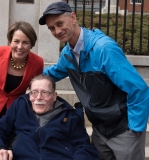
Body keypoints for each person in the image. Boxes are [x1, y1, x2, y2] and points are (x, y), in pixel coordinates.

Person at [39, 2, 149, 160]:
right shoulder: (67, 54)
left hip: (124, 131)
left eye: (60, 24)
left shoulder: (104, 49)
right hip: (99, 131)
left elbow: (138, 88)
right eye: (51, 28)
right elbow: (53, 73)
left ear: (73, 17)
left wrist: (135, 130)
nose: (57, 31)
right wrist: (24, 69)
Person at [0, 74, 99, 160]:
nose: (38, 97)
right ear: (29, 95)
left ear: (54, 96)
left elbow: (84, 146)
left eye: (45, 92)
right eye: (34, 92)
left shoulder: (69, 115)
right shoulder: (20, 106)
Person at [0, 21, 44, 160]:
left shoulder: (37, 62)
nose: (20, 46)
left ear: (32, 44)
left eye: (25, 42)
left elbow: (35, 90)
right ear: (10, 41)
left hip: (14, 114)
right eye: (16, 41)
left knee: (11, 153)